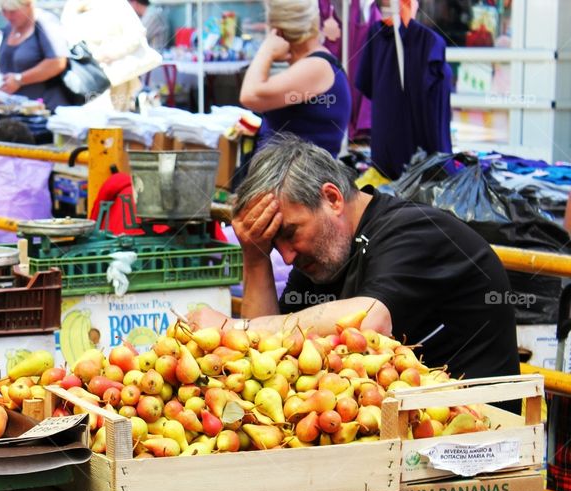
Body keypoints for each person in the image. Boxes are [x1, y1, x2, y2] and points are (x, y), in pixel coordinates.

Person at [193, 134, 519, 381]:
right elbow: (273, 353)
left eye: (290, 233)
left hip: (477, 436)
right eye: (276, 244)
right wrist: (256, 256)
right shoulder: (323, 254)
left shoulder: (414, 232)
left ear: (332, 198)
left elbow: (369, 321)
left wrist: (233, 326)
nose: (288, 256)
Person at [239, 0, 350, 158]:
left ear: (277, 32)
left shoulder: (316, 67)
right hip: (294, 174)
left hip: (301, 178)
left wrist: (266, 51)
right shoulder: (315, 64)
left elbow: (250, 96)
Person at [62, 0, 162, 111]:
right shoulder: (72, 6)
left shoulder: (116, 3)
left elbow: (136, 34)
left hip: (116, 75)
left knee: (116, 120)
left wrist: (109, 53)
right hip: (86, 77)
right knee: (89, 120)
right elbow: (66, 38)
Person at [0, 0, 70, 112]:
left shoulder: (45, 23)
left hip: (44, 109)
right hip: (14, 108)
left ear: (28, 5)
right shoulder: (9, 28)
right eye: (4, 11)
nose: (8, 15)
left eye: (13, 11)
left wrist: (19, 79)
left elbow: (58, 62)